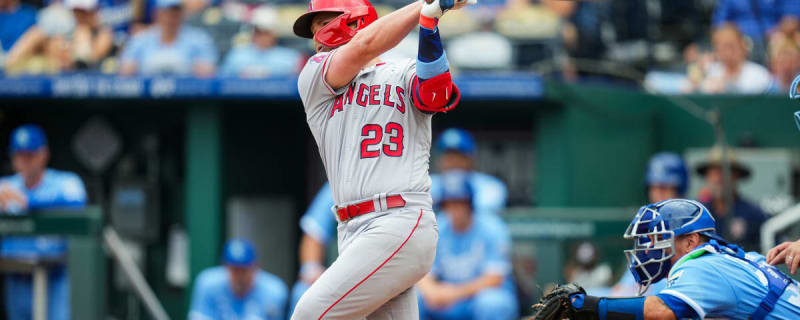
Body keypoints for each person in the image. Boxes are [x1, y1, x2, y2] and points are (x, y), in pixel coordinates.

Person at [290, 0, 467, 317]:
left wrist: (429, 24)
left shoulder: (403, 71)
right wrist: (426, 4)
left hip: (399, 219)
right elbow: (364, 46)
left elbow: (435, 92)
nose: (316, 36)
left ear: (354, 21)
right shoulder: (315, 76)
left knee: (309, 314)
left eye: (322, 23)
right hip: (352, 230)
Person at [288, 127, 508, 314]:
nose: (455, 208)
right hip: (352, 272)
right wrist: (311, 269)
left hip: (394, 272)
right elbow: (313, 232)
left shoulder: (417, 184)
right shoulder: (340, 184)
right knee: (304, 292)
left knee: (487, 302)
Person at [530, 199, 800, 320]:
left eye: (658, 239)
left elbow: (662, 312)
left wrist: (588, 307)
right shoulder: (731, 257)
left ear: (691, 241)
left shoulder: (699, 265)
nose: (648, 248)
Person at [0, 124, 88, 320]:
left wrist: (28, 201)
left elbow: (77, 203)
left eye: (30, 155)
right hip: (17, 276)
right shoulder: (5, 186)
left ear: (43, 154)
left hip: (54, 276)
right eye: (19, 155)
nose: (24, 161)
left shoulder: (65, 182)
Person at [417, 171, 517, 320]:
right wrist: (432, 291)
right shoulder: (437, 226)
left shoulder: (492, 228)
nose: (454, 209)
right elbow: (422, 273)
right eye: (449, 203)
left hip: (475, 297)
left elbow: (495, 278)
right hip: (446, 298)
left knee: (492, 302)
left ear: (470, 203)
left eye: (459, 202)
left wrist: (454, 294)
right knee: (415, 297)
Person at [610, 152, 688, 297]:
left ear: (679, 189)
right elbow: (629, 284)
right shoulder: (648, 224)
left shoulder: (691, 225)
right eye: (653, 187)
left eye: (663, 187)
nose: (657, 194)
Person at [189, 239, 288, 320]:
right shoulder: (207, 283)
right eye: (235, 270)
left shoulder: (274, 290)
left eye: (243, 270)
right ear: (226, 267)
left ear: (255, 268)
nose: (239, 276)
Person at [5, 0, 114, 73]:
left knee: (82, 33)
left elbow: (88, 63)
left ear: (93, 12)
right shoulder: (54, 35)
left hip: (86, 85)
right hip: (53, 83)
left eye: (84, 11)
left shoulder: (103, 33)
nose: (80, 16)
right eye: (76, 11)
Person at [119, 0, 216, 76]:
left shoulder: (199, 39)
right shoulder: (141, 39)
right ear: (157, 14)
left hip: (189, 99)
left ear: (183, 13)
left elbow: (208, 72)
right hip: (145, 100)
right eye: (167, 12)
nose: (172, 17)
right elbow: (125, 71)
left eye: (176, 12)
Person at [696, 146, 766, 252]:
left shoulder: (754, 214)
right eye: (714, 172)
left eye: (725, 171)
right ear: (707, 176)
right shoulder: (697, 213)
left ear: (736, 176)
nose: (718, 178)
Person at [430, 128, 507, 215]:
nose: (453, 161)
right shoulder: (428, 184)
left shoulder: (491, 186)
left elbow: (484, 212)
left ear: (471, 159)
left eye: (459, 155)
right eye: (448, 156)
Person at [219, 5, 303, 78]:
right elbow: (223, 79)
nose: (262, 37)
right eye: (258, 32)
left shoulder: (290, 57)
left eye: (266, 33)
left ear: (274, 34)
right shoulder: (237, 55)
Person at [696, 24, 772, 94]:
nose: (728, 52)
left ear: (742, 45)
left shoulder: (759, 74)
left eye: (731, 46)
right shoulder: (709, 73)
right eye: (722, 47)